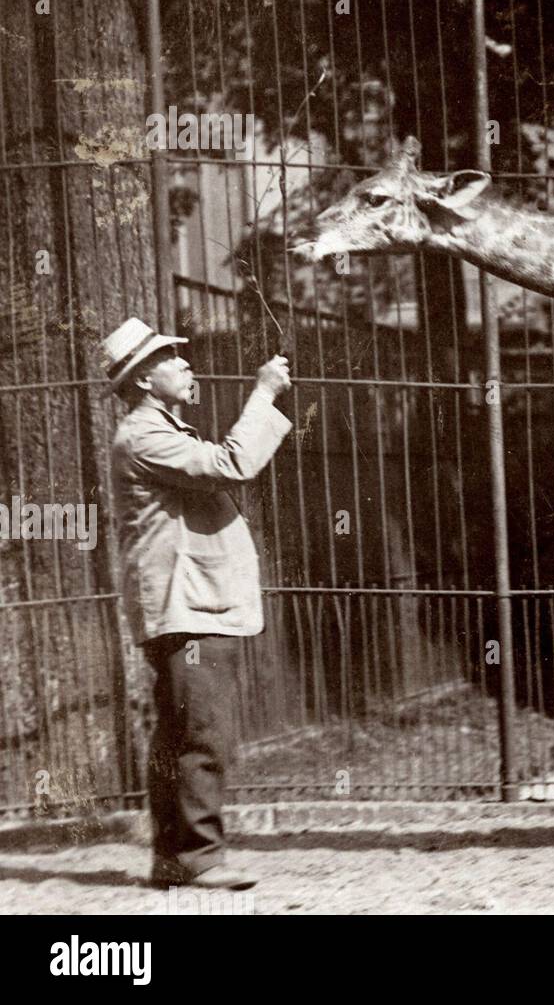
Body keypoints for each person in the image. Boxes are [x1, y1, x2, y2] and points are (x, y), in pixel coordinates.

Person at [104, 317, 293, 890]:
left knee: (180, 734)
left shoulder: (159, 429)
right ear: (142, 381)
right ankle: (197, 859)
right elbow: (232, 464)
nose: (187, 364)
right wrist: (262, 393)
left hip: (184, 605)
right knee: (201, 735)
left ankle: (173, 860)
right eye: (170, 359)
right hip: (185, 606)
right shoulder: (145, 435)